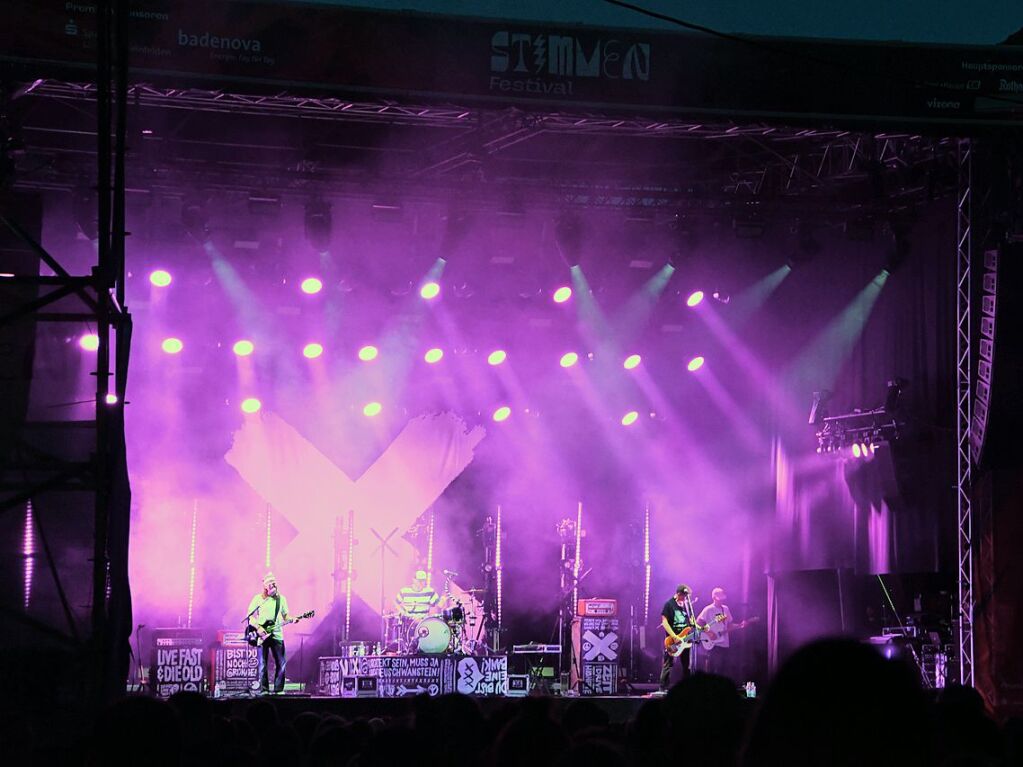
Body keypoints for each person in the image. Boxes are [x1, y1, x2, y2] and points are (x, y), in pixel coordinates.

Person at [247, 572, 290, 694]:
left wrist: (292, 619)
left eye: (274, 583)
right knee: (263, 664)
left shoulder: (282, 599)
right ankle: (264, 689)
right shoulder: (258, 599)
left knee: (281, 663)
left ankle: (278, 689)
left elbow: (286, 615)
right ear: (265, 586)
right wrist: (258, 628)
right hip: (262, 635)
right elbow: (250, 616)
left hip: (277, 634)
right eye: (269, 583)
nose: (272, 585)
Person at [659, 583, 697, 692]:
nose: (686, 599)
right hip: (673, 640)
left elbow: (691, 623)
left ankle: (687, 689)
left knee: (687, 665)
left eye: (687, 597)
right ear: (678, 594)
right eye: (684, 596)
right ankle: (662, 689)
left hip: (685, 639)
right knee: (668, 664)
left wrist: (702, 627)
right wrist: (674, 636)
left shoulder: (686, 605)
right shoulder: (669, 604)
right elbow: (664, 622)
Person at [696, 587, 734, 676]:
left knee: (722, 669)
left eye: (722, 598)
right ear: (714, 598)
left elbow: (730, 624)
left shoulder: (726, 609)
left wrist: (741, 625)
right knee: (714, 668)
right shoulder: (708, 609)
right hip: (714, 644)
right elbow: (698, 622)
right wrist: (708, 633)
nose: (721, 600)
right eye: (719, 598)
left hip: (724, 643)